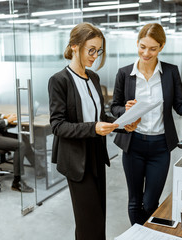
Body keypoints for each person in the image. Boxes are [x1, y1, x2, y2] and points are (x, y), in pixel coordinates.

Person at [110, 23, 182, 225]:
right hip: (133, 144)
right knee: (134, 201)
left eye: (153, 48)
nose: (146, 53)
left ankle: (147, 232)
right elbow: (114, 107)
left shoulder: (171, 72)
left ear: (162, 47)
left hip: (160, 147)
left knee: (150, 202)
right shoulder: (124, 73)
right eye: (142, 46)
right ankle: (140, 236)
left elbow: (181, 107)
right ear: (137, 43)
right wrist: (125, 110)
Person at [48, 22, 139, 240]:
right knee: (88, 220)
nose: (95, 56)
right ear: (74, 46)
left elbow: (100, 118)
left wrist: (122, 124)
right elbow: (58, 125)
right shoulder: (59, 81)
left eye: (98, 51)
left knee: (99, 217)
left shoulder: (94, 78)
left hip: (97, 154)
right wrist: (93, 128)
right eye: (91, 50)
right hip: (76, 159)